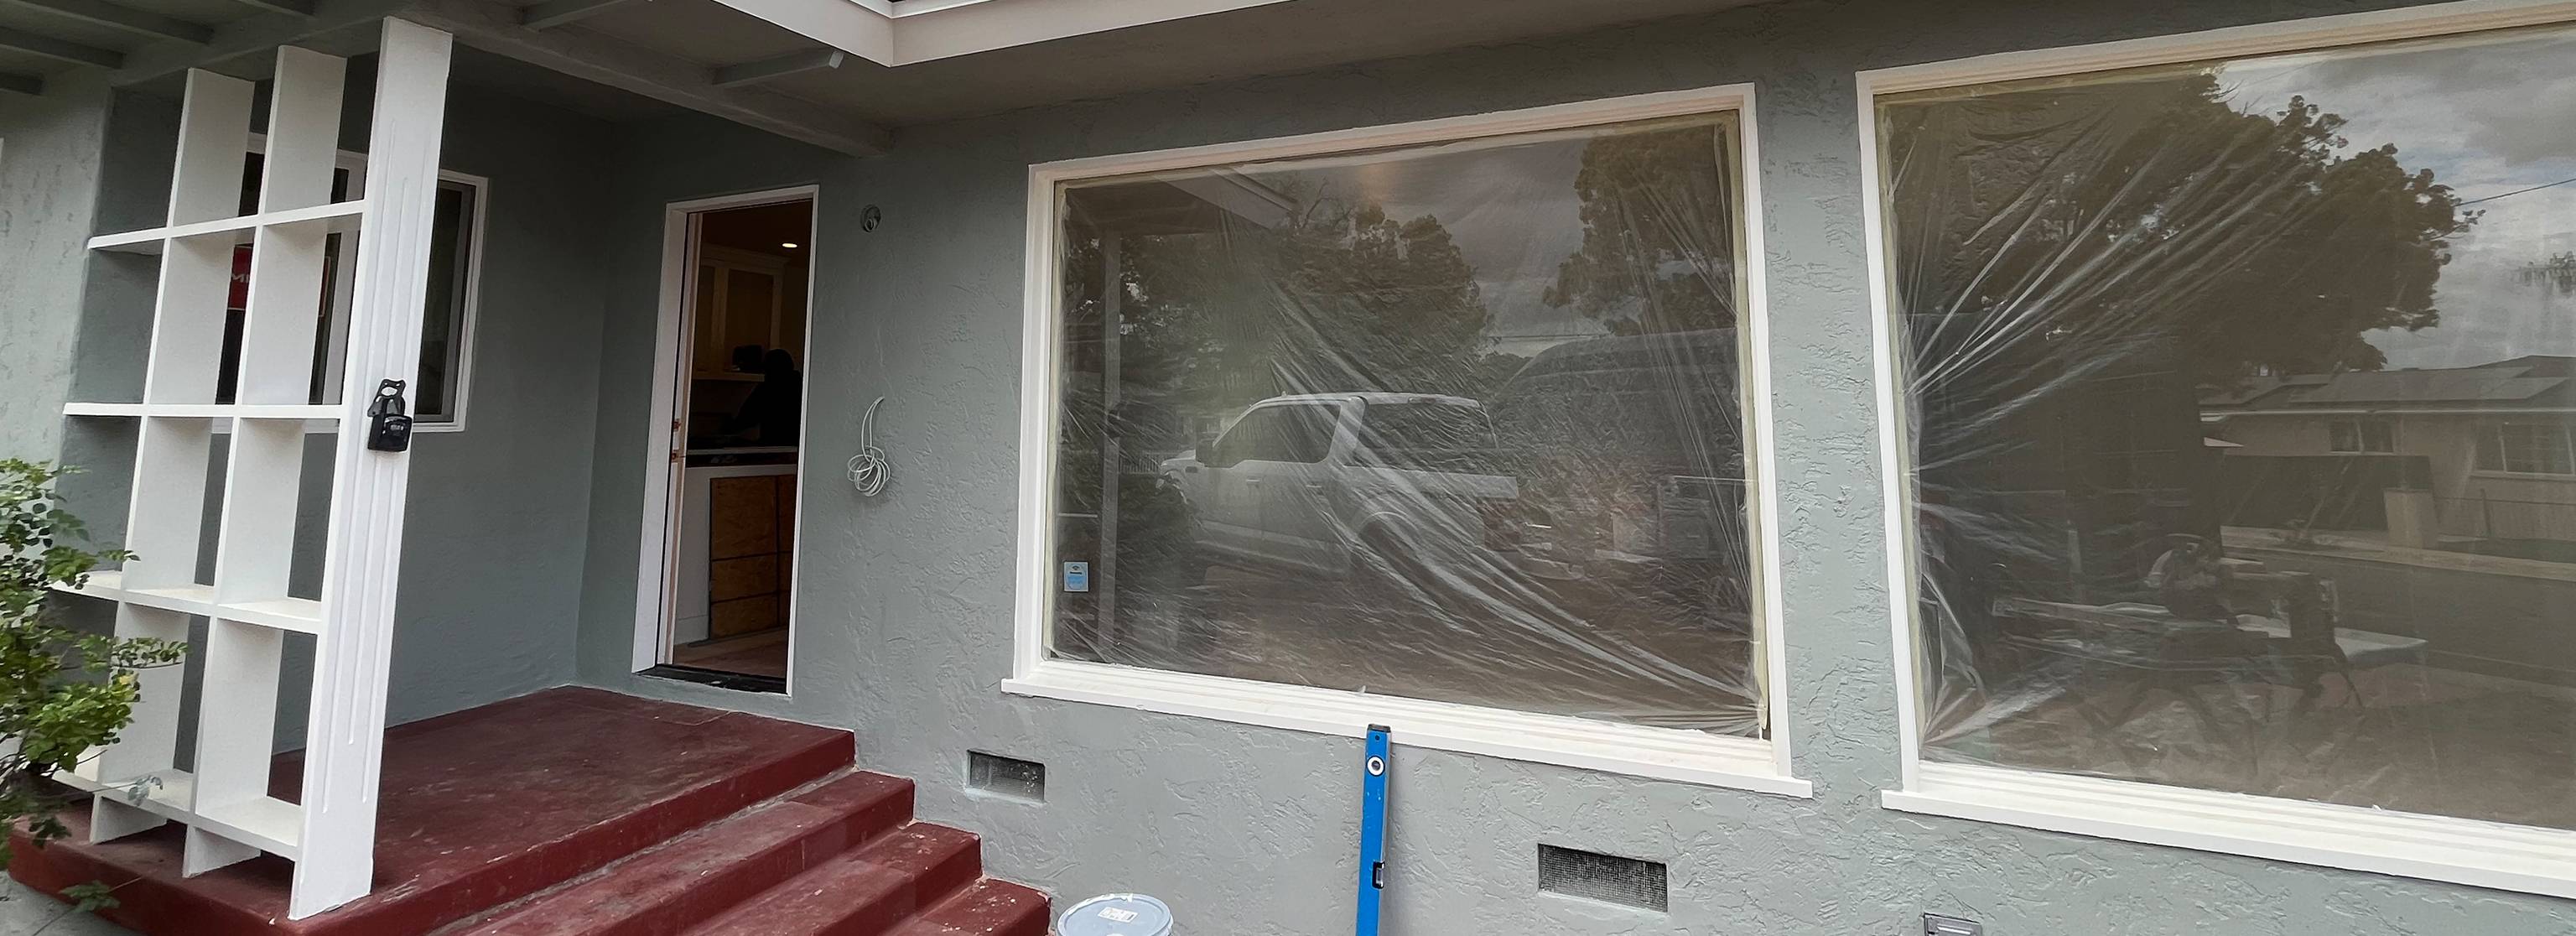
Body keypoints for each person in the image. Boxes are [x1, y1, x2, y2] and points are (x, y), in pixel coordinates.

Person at [2144, 533, 2232, 624]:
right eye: (2205, 559)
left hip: (2187, 603)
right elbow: (2164, 585)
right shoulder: (2180, 564)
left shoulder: (2210, 571)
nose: (2206, 562)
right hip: (2179, 601)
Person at [728, 349, 802, 446]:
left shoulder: (768, 388)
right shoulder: (803, 387)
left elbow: (748, 417)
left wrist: (727, 430)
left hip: (773, 446)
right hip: (798, 447)